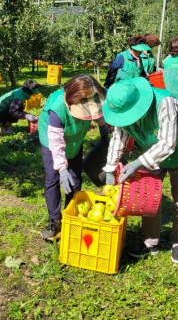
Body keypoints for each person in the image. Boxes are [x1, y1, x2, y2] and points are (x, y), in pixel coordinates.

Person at [103, 77, 178, 264]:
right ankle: (150, 243)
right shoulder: (123, 111)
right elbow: (118, 136)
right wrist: (110, 166)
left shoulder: (166, 103)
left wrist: (137, 163)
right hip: (151, 153)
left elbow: (167, 144)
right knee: (148, 195)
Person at [38, 74, 108, 240]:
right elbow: (56, 144)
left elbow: (98, 114)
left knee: (75, 178)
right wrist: (62, 169)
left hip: (75, 140)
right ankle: (54, 221)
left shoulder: (91, 96)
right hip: (51, 142)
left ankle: (71, 214)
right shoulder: (58, 109)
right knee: (53, 179)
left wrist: (104, 131)